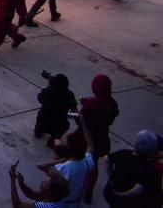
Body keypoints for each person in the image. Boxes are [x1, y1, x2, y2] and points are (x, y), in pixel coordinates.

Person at [37, 115, 96, 208]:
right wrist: (83, 124)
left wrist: (60, 160)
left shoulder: (63, 168)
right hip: (75, 203)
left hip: (61, 204)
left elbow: (41, 166)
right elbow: (90, 145)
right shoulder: (87, 162)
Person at [80, 74, 120, 204]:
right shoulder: (112, 104)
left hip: (85, 136)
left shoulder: (91, 105)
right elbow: (109, 119)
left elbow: (81, 120)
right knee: (94, 164)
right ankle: (89, 192)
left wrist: (77, 109)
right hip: (101, 137)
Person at [104, 130, 163, 207]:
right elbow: (136, 190)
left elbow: (107, 159)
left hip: (113, 194)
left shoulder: (124, 153)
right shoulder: (149, 168)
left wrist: (112, 176)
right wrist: (121, 195)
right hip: (129, 201)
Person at [34, 71, 77, 148]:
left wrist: (49, 87)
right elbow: (75, 113)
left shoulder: (48, 91)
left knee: (41, 114)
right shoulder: (69, 95)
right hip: (58, 124)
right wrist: (66, 115)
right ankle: (53, 139)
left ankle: (38, 131)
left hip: (43, 121)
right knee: (65, 125)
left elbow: (39, 99)